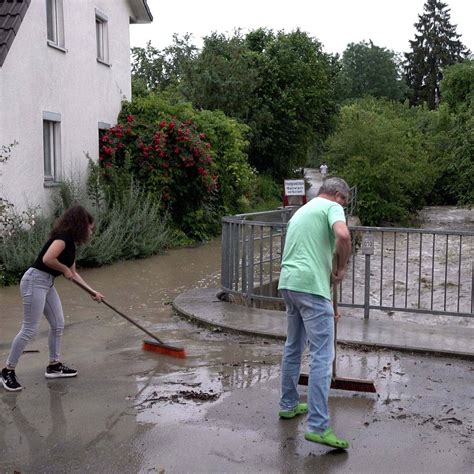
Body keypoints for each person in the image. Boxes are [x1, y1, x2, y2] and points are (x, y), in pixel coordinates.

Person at [277, 177, 352, 449]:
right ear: (337, 195)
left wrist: (332, 305)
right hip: (310, 288)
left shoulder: (303, 211)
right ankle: (318, 426)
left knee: (293, 346)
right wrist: (343, 268)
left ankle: (287, 404)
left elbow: (315, 258)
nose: (343, 206)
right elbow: (343, 236)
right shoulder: (332, 207)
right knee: (322, 353)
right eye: (344, 201)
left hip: (289, 284)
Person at [1, 205, 104, 392]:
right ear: (80, 225)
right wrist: (63, 269)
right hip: (34, 281)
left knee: (58, 324)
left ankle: (54, 366)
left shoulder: (71, 244)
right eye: (90, 227)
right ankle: (7, 371)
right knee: (29, 329)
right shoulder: (62, 239)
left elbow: (73, 273)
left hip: (46, 283)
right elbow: (48, 259)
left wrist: (92, 292)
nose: (91, 231)